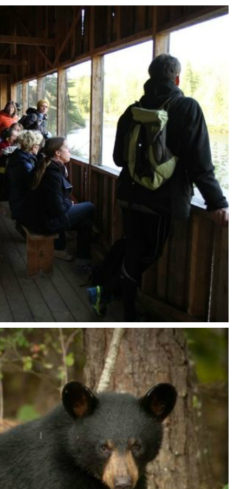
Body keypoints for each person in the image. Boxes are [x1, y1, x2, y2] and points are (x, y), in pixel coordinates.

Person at [89, 53, 228, 320]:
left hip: (128, 194)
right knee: (146, 253)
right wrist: (217, 203)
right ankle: (120, 304)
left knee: (132, 245)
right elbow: (200, 161)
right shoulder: (187, 107)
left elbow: (119, 158)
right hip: (161, 201)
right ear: (177, 78)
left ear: (150, 77)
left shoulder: (132, 111)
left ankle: (103, 285)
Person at [31, 137, 94, 263]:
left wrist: (66, 203)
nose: (69, 151)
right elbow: (57, 207)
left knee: (85, 222)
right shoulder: (52, 173)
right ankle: (68, 250)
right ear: (57, 153)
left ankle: (81, 256)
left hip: (42, 215)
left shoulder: (47, 165)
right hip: (47, 219)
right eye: (67, 148)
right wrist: (68, 203)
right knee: (90, 206)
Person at [5, 129, 45, 227]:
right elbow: (31, 184)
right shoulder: (24, 162)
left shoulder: (18, 155)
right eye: (37, 145)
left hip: (16, 197)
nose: (38, 147)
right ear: (32, 146)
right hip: (21, 202)